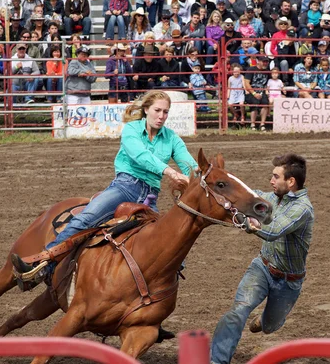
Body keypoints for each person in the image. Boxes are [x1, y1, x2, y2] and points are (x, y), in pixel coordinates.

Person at [11, 90, 195, 308]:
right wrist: (170, 172)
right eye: (157, 110)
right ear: (146, 110)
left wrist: (202, 177)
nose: (162, 115)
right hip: (125, 188)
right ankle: (43, 265)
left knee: (172, 253)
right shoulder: (131, 130)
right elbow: (140, 156)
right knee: (85, 219)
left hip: (150, 197)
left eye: (166, 111)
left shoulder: (171, 138)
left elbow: (189, 164)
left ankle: (154, 306)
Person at [211, 153, 314, 364]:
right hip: (262, 268)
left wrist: (250, 224)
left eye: (276, 177)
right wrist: (225, 189)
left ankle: (264, 321)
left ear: (291, 182)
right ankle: (217, 361)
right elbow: (252, 195)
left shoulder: (302, 209)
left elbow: (274, 230)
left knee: (270, 326)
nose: (271, 181)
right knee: (238, 311)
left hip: (288, 281)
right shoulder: (275, 198)